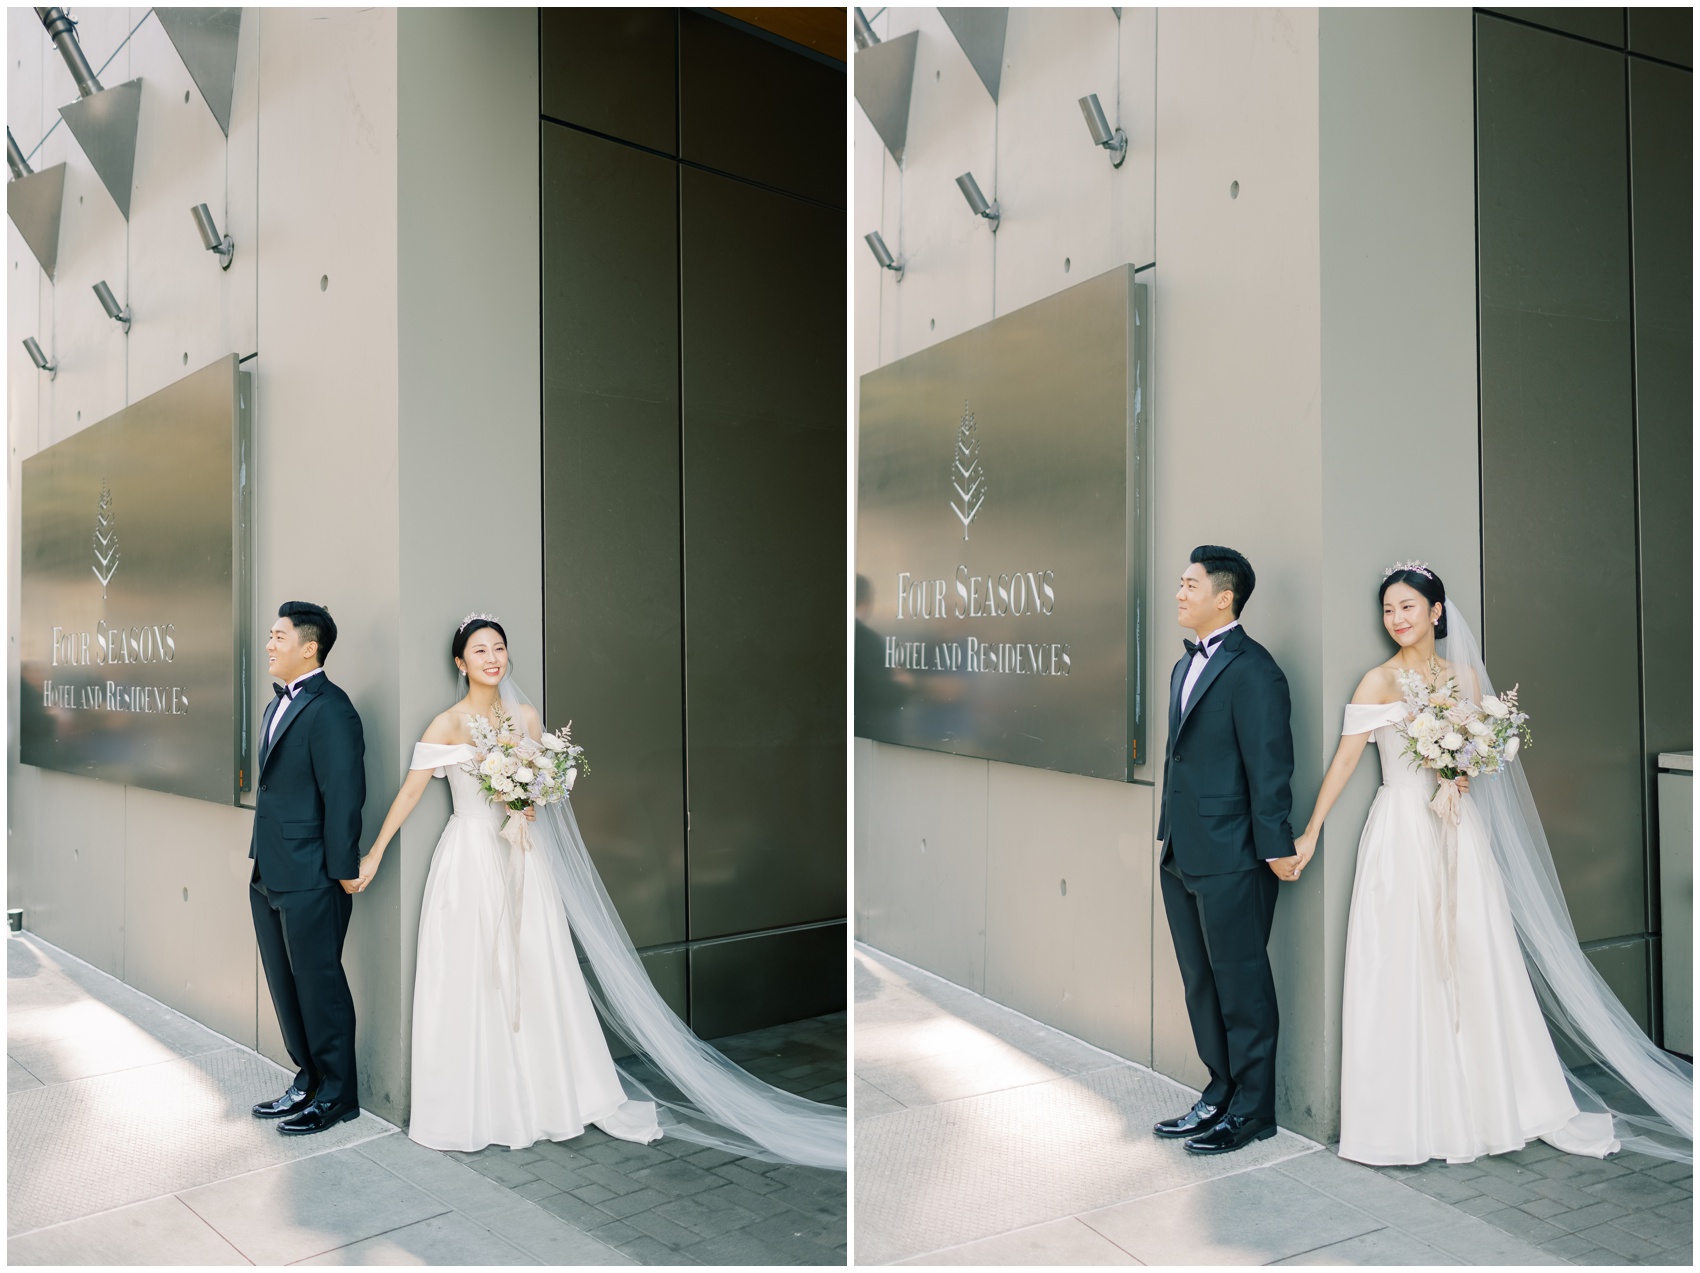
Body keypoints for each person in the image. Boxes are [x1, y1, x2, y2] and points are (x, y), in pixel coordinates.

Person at [353, 614, 846, 1168]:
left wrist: (527, 802)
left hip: (522, 856)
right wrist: (374, 852)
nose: (492, 658)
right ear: (460, 662)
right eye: (479, 650)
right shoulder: (446, 724)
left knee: (538, 967)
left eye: (499, 648)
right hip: (470, 858)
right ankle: (483, 1102)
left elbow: (540, 782)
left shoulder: (525, 715)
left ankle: (548, 1094)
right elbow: (411, 794)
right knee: (472, 971)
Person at [1292, 563, 1691, 1165]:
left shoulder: (1466, 678)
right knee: (1404, 957)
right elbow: (1347, 762)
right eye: (1388, 610)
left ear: (1435, 610)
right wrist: (1311, 829)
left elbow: (1480, 755)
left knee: (1475, 954)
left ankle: (1490, 1102)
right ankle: (1413, 1114)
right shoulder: (1377, 682)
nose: (1397, 619)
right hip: (1401, 830)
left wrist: (1459, 775)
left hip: (1457, 828)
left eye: (1407, 607)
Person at [1152, 546, 1296, 1155]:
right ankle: (1219, 1090)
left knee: (1242, 985)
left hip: (1236, 856)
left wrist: (1275, 849)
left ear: (1224, 596)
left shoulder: (1255, 670)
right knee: (1200, 982)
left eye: (1190, 584)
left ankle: (1253, 1109)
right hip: (1181, 851)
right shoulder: (1183, 667)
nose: (1179, 592)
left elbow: (1270, 769)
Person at [248, 601, 367, 1136]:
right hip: (269, 872)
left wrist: (342, 870)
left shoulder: (332, 708)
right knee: (284, 981)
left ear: (309, 646)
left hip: (314, 876)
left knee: (320, 984)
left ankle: (339, 1095)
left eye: (278, 636)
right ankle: (308, 1078)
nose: (270, 644)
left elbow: (344, 796)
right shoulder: (277, 706)